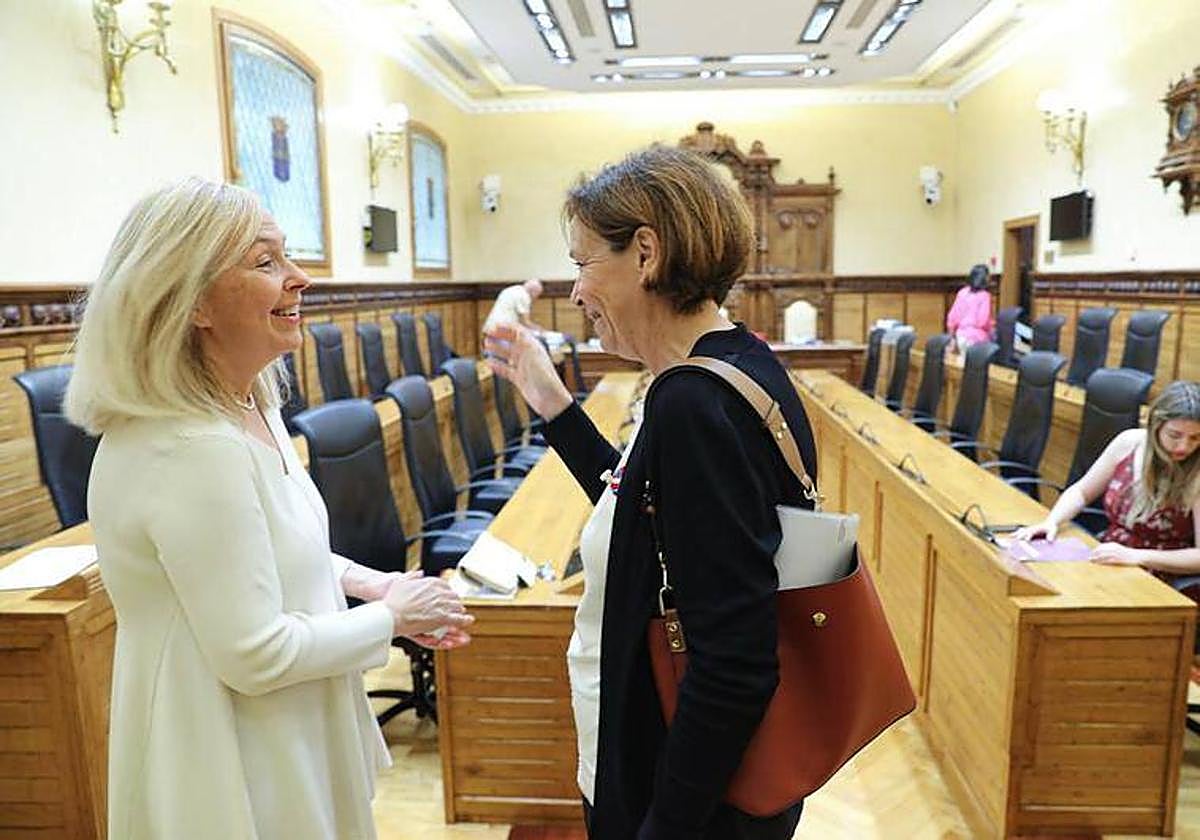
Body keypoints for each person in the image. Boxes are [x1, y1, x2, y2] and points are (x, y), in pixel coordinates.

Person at [64, 177, 474, 839]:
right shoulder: (191, 446)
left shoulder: (252, 400)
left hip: (289, 727)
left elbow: (279, 544)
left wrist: (373, 583)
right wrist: (392, 617)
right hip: (231, 755)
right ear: (191, 299)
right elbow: (255, 654)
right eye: (266, 262)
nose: (301, 278)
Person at [484, 146, 816, 839]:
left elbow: (734, 664)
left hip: (683, 788)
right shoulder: (726, 364)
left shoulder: (695, 403)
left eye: (582, 263)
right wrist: (550, 402)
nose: (577, 293)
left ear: (645, 254)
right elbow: (645, 514)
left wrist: (664, 827)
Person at [1014, 380, 1200, 578]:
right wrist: (1052, 521)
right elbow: (1082, 492)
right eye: (1174, 435)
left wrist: (1135, 556)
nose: (1183, 447)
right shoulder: (1129, 442)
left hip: (1158, 576)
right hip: (1108, 558)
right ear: (1156, 425)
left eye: (1195, 438)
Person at [946, 263, 995, 352]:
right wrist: (992, 326)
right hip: (977, 339)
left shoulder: (962, 293)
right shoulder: (985, 296)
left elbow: (952, 318)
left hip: (960, 337)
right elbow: (982, 321)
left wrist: (952, 337)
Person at [482, 278, 546, 334]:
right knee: (533, 346)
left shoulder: (512, 289)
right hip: (501, 330)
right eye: (537, 295)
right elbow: (525, 322)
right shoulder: (524, 296)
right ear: (533, 292)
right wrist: (540, 330)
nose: (536, 298)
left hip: (490, 328)